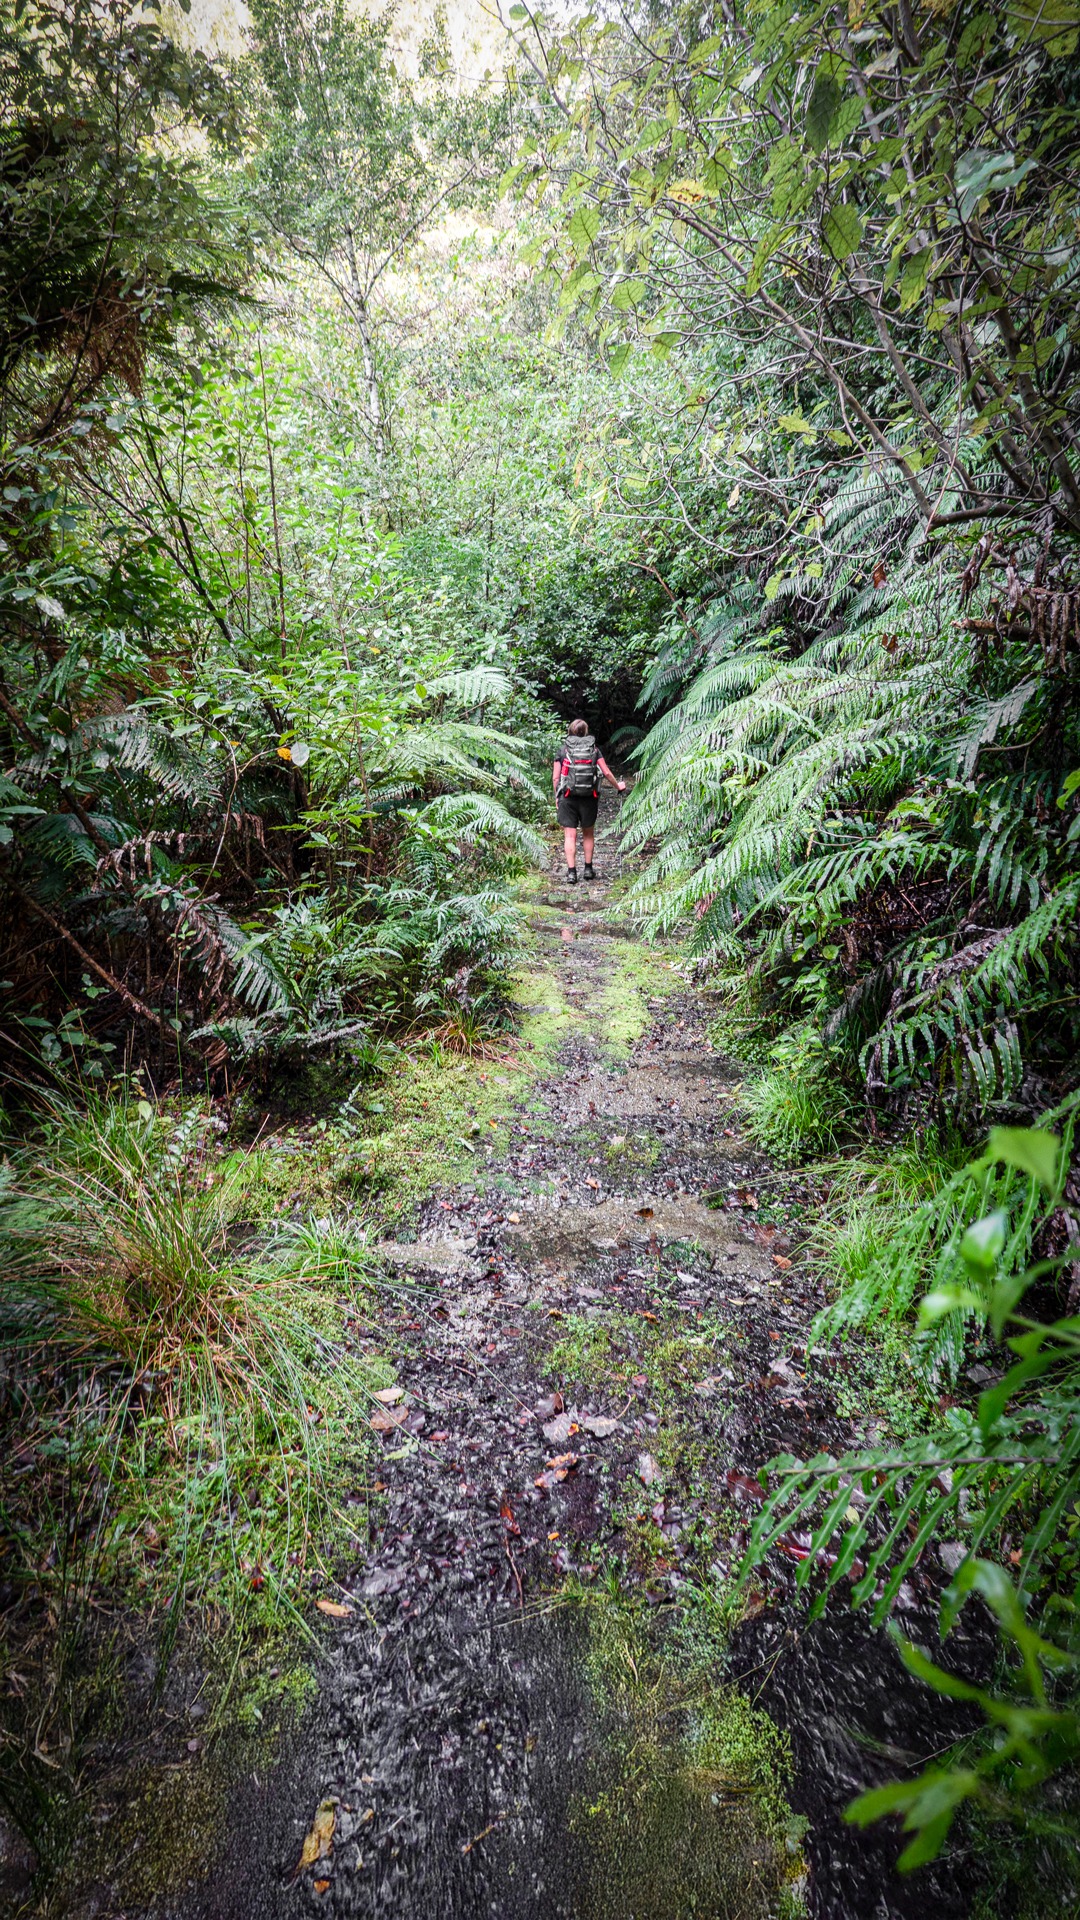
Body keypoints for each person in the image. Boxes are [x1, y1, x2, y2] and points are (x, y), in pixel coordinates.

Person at [553, 718, 625, 884]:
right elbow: (606, 772)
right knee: (588, 833)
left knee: (569, 835)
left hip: (568, 797)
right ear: (586, 732)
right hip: (589, 798)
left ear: (570, 731)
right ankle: (587, 869)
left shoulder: (563, 750)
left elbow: (556, 777)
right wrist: (618, 786)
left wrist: (557, 796)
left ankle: (571, 873)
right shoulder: (594, 749)